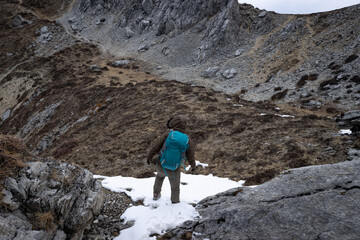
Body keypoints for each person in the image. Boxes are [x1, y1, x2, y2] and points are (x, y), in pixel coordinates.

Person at [147, 115, 196, 203]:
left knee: (159, 176)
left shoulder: (168, 134)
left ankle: (156, 194)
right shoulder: (187, 139)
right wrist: (193, 166)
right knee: (175, 186)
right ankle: (175, 201)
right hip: (174, 167)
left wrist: (149, 157)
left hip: (161, 163)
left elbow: (156, 146)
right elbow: (190, 155)